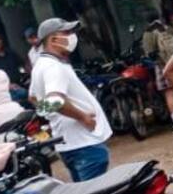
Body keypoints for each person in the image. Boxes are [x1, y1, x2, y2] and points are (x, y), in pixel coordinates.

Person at [28, 18, 114, 182]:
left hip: (69, 143)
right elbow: (55, 101)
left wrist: (48, 113)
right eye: (67, 33)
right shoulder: (53, 67)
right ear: (53, 39)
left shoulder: (42, 64)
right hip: (83, 143)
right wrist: (83, 117)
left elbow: (33, 97)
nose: (72, 36)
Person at [141, 11, 173, 126]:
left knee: (169, 94)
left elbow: (149, 52)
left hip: (162, 65)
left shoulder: (148, 32)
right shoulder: (166, 27)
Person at [0, 33, 26, 101]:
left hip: (21, 83)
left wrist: (24, 75)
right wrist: (8, 85)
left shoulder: (10, 52)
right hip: (6, 90)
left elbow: (22, 64)